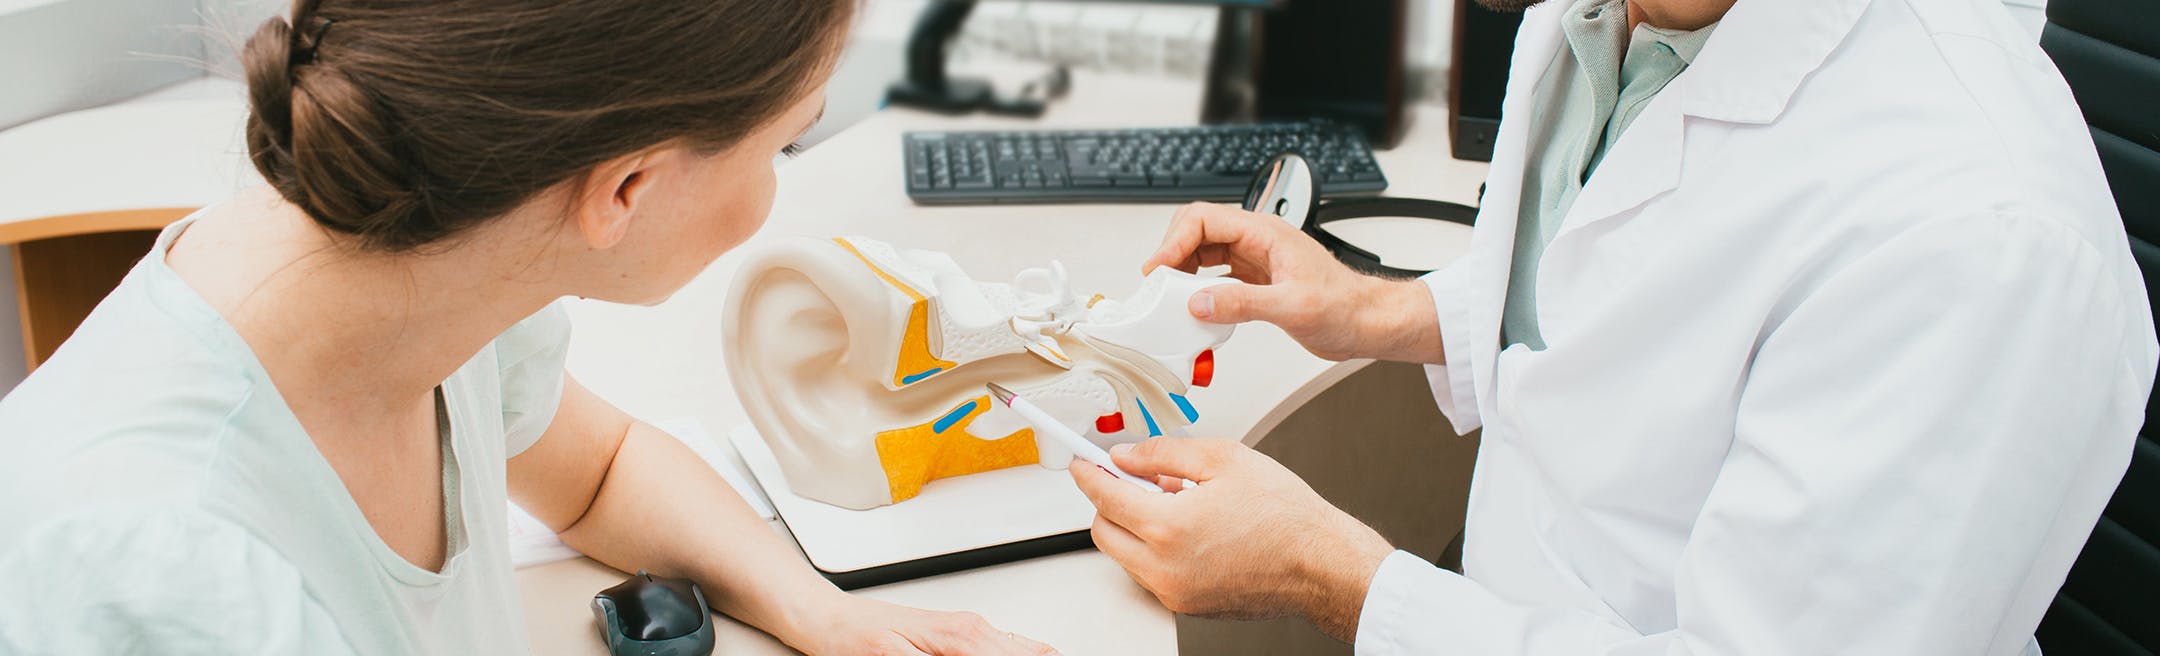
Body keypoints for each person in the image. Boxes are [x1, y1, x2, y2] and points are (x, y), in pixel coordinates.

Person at [1069, 0, 2156, 653]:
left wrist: (1330, 570)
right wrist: (1384, 310)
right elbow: (1634, 305)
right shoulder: (1617, 17)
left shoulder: (1975, 231)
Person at [0, 1, 1057, 654]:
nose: (777, 182)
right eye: (786, 143)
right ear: (629, 189)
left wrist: (822, 612)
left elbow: (597, 469)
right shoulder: (166, 572)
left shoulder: (428, 264)